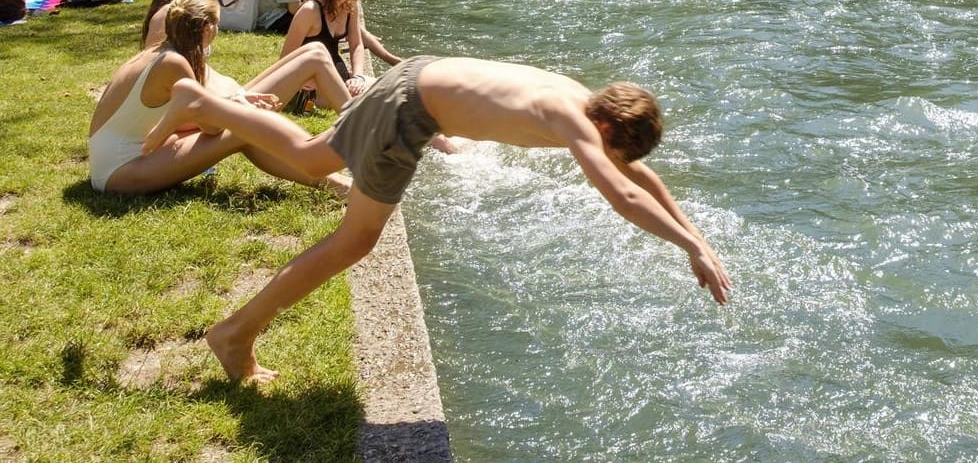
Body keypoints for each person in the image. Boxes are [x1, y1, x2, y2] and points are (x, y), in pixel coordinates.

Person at [142, 56, 733, 382]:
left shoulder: (583, 99)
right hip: (410, 112)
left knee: (309, 156)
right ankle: (234, 334)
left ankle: (201, 103)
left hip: (411, 80)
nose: (616, 158)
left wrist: (695, 238)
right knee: (355, 240)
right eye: (616, 148)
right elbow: (623, 197)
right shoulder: (575, 123)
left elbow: (639, 178)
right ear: (608, 130)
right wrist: (689, 248)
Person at [90, 0, 351, 196]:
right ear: (206, 28)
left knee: (313, 52)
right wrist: (238, 108)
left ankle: (357, 133)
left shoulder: (164, 51)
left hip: (132, 155)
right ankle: (337, 184)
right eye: (217, 24)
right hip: (120, 172)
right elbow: (212, 127)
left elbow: (186, 115)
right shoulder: (173, 63)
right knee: (243, 128)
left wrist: (235, 103)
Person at [144, 0, 353, 112]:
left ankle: (356, 118)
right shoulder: (167, 18)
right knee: (314, 57)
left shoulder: (183, 17)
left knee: (312, 51)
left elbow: (197, 73)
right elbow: (169, 83)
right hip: (203, 107)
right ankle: (359, 127)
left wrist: (232, 89)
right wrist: (231, 99)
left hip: (214, 97)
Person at [280, 0, 401, 97]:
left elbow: (356, 44)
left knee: (393, 89)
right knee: (380, 97)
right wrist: (302, 81)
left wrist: (358, 77)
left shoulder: (350, 5)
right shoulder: (310, 11)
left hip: (339, 78)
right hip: (310, 84)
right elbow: (285, 58)